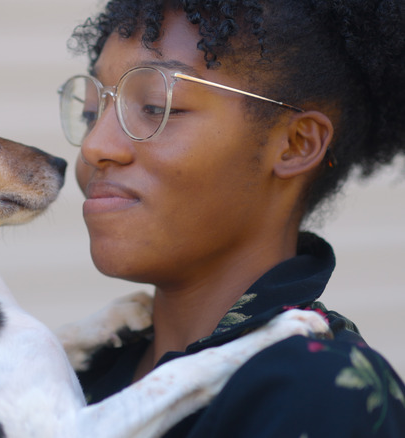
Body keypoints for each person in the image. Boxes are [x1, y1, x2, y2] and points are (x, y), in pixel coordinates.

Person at [57, 0, 405, 436]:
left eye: (156, 106)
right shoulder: (79, 368)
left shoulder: (319, 391)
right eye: (93, 112)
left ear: (297, 144)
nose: (94, 146)